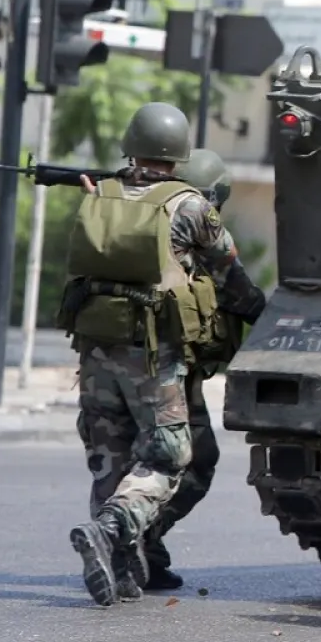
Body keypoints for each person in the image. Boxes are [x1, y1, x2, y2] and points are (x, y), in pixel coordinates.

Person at [64, 103, 262, 607]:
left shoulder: (101, 194)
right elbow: (230, 274)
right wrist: (263, 313)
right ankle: (112, 530)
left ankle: (125, 568)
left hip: (93, 351)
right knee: (167, 456)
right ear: (179, 153)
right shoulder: (192, 205)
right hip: (154, 357)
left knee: (110, 457)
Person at [135, 148, 266, 590]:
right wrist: (272, 324)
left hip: (118, 356)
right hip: (168, 366)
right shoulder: (195, 221)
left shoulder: (131, 212)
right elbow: (239, 290)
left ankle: (140, 552)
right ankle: (133, 540)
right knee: (192, 460)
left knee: (123, 462)